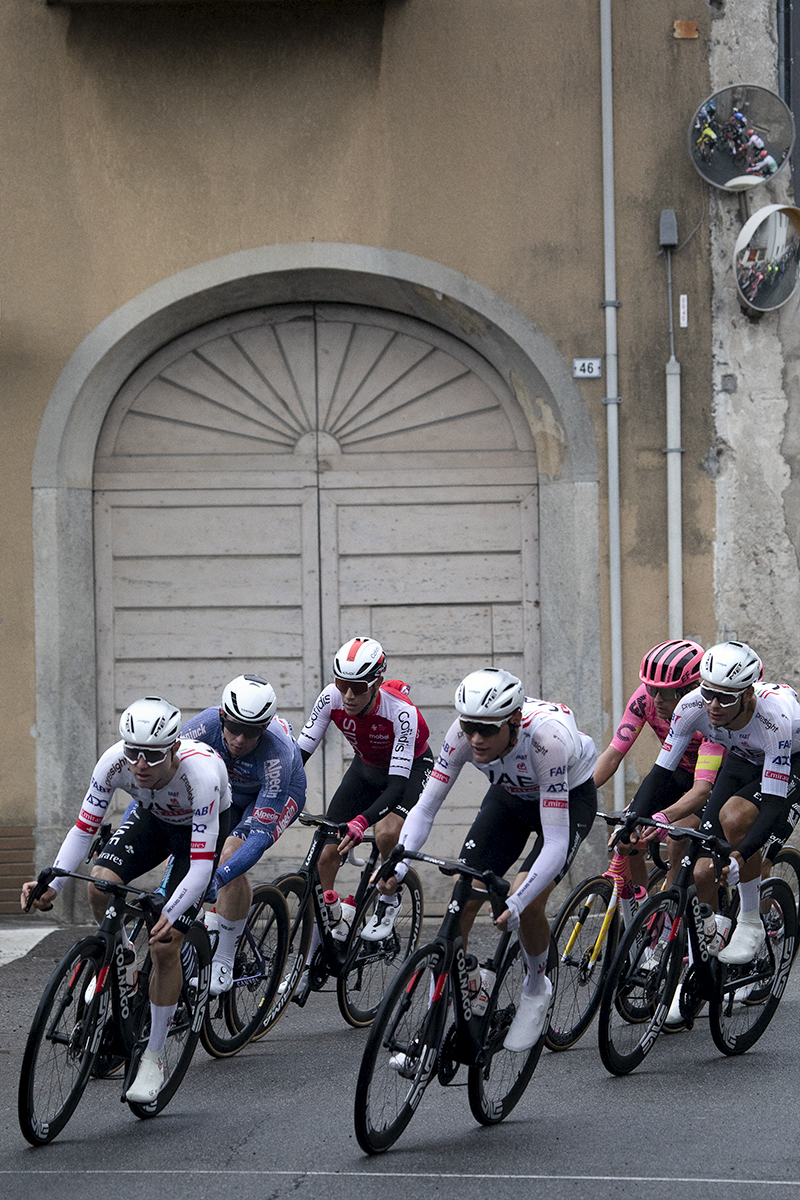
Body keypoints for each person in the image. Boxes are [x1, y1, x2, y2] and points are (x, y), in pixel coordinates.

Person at [21, 696, 232, 1104]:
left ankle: (154, 1056)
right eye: (134, 752)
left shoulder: (201, 775)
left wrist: (172, 914)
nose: (140, 764)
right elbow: (83, 829)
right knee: (99, 885)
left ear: (174, 749)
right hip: (153, 817)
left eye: (152, 755)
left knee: (165, 944)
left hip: (197, 832)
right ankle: (123, 956)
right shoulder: (114, 762)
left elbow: (200, 869)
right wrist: (54, 883)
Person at [384, 668, 597, 1052]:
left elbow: (555, 841)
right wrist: (398, 866)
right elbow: (426, 807)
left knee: (527, 899)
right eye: (469, 727)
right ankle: (444, 1007)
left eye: (486, 729)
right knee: (464, 891)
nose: (476, 739)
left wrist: (517, 901)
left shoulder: (546, 741)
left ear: (513, 722)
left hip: (566, 800)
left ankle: (536, 985)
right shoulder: (461, 735)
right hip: (510, 796)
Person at [630, 641, 800, 973]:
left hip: (789, 760)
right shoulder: (692, 705)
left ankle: (750, 920)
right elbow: (661, 771)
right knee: (702, 870)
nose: (714, 705)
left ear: (747, 695)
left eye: (725, 698)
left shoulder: (773, 718)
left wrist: (741, 855)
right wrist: (635, 817)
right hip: (742, 757)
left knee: (735, 819)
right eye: (708, 693)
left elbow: (773, 802)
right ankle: (709, 950)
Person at [295, 636, 433, 954]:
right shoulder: (330, 697)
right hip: (367, 768)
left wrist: (362, 821)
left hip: (410, 770)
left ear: (377, 683)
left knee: (386, 832)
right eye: (342, 684)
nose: (348, 695)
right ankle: (327, 931)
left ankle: (388, 898)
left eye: (357, 688)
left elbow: (396, 787)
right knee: (326, 854)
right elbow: (299, 754)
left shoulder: (401, 712)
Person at [181, 674, 307, 995]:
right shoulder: (202, 727)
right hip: (228, 793)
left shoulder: (277, 752)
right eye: (234, 727)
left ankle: (224, 959)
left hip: (276, 794)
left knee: (230, 856)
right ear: (222, 716)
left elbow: (259, 838)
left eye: (250, 732)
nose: (239, 739)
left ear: (264, 728)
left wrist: (220, 877)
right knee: (186, 849)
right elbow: (162, 778)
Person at [597, 639, 725, 891]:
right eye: (651, 688)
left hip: (715, 778)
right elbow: (613, 754)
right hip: (677, 772)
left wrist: (666, 816)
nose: (656, 699)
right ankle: (641, 906)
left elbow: (701, 789)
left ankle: (671, 906)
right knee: (628, 835)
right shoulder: (644, 699)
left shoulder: (709, 714)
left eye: (665, 692)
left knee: (677, 834)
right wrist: (579, 794)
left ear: (692, 690)